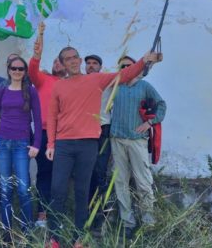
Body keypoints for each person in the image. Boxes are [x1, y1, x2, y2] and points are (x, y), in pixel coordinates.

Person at [45, 47, 162, 247]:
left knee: (82, 191)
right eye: (67, 59)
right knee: (57, 190)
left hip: (88, 143)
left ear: (80, 60)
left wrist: (144, 60)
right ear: (62, 64)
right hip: (63, 144)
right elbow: (52, 115)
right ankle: (53, 237)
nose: (72, 61)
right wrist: (50, 143)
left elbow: (125, 74)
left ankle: (78, 237)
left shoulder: (95, 79)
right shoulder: (58, 86)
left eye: (75, 57)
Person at [0, 56, 41, 239]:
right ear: (8, 70)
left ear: (25, 72)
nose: (17, 71)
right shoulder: (1, 91)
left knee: (24, 189)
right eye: (14, 68)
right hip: (2, 144)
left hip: (22, 145)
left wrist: (36, 145)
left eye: (21, 69)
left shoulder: (30, 91)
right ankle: (6, 231)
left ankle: (27, 229)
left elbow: (38, 121)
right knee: (5, 188)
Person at [111, 56, 167, 238]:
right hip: (117, 139)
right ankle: (127, 222)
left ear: (135, 67)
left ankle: (148, 223)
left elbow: (161, 105)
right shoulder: (115, 86)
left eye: (129, 65)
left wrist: (150, 123)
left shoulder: (144, 86)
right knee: (120, 182)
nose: (126, 68)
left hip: (137, 140)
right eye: (123, 66)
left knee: (143, 182)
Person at [29, 24, 66, 226]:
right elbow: (32, 68)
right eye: (55, 61)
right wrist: (38, 49)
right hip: (43, 133)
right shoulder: (43, 79)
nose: (57, 64)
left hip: (65, 135)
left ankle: (57, 214)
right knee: (44, 173)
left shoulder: (71, 83)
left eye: (61, 62)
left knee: (61, 176)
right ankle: (42, 213)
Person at [84, 53, 113, 222]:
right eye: (88, 63)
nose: (91, 65)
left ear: (100, 67)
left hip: (103, 128)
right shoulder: (80, 82)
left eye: (95, 63)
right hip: (85, 130)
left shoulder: (107, 81)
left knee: (100, 170)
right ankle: (86, 210)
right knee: (87, 171)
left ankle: (101, 213)